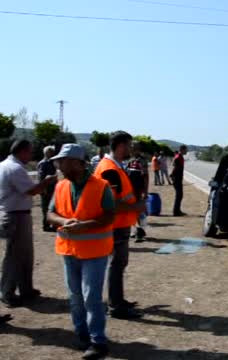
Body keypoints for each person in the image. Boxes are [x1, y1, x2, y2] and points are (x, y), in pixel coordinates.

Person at [47, 144, 115, 359]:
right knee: (75, 297)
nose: (59, 165)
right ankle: (82, 335)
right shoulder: (61, 186)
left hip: (94, 251)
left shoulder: (101, 186)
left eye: (63, 161)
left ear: (77, 162)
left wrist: (85, 225)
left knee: (91, 298)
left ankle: (98, 342)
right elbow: (50, 214)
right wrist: (65, 221)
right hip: (69, 250)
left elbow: (109, 216)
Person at [94, 131, 145, 319]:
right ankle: (116, 305)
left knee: (119, 264)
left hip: (120, 223)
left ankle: (118, 300)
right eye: (129, 145)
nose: (131, 149)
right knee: (117, 264)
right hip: (116, 224)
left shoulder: (114, 166)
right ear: (121, 146)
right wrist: (136, 206)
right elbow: (111, 203)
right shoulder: (109, 169)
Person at [0, 140, 57, 308]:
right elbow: (31, 191)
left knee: (24, 255)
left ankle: (26, 289)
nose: (31, 155)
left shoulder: (5, 165)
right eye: (30, 152)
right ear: (22, 152)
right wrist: (47, 181)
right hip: (15, 215)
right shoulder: (15, 168)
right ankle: (7, 292)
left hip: (15, 213)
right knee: (15, 256)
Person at [126, 142, 149, 242]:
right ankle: (135, 231)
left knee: (139, 211)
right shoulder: (130, 160)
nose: (131, 149)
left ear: (138, 149)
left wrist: (145, 191)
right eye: (131, 148)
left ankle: (140, 233)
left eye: (133, 148)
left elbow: (145, 177)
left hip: (138, 190)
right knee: (132, 211)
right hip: (130, 190)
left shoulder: (141, 161)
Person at [37, 145, 58, 232]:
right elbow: (41, 177)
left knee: (53, 207)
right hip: (47, 188)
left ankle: (53, 224)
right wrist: (43, 188)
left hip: (52, 187)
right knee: (46, 208)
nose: (53, 154)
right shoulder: (43, 163)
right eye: (51, 152)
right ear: (47, 153)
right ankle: (46, 226)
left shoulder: (51, 162)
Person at [170, 145, 187, 216]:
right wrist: (172, 175)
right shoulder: (178, 157)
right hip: (177, 178)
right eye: (186, 150)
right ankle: (176, 212)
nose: (187, 151)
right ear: (182, 149)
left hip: (178, 178)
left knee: (179, 195)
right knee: (179, 195)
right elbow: (175, 167)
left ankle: (177, 210)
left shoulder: (179, 157)